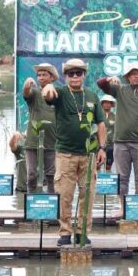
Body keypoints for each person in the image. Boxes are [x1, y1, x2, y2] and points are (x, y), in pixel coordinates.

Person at [41, 58, 107, 246]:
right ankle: (65, 232)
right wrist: (47, 88)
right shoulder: (60, 92)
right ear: (66, 76)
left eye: (79, 73)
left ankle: (82, 232)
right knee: (65, 194)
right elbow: (48, 95)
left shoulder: (92, 96)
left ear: (84, 75)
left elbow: (101, 123)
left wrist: (102, 148)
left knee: (88, 194)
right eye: (71, 73)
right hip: (65, 154)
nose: (75, 76)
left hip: (89, 154)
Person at [96, 62, 138, 217]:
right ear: (128, 77)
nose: (136, 76)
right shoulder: (120, 90)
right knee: (122, 177)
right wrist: (110, 79)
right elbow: (100, 84)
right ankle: (123, 207)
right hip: (121, 142)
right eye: (133, 73)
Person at [22, 63, 59, 193]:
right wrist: (27, 84)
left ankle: (52, 203)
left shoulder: (58, 94)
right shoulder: (35, 93)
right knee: (32, 174)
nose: (41, 77)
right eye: (39, 75)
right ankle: (31, 202)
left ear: (52, 77)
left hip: (52, 141)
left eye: (45, 75)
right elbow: (26, 93)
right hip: (33, 141)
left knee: (51, 175)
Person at [101, 95, 117, 171]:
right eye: (105, 102)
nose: (107, 104)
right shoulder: (98, 115)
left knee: (108, 166)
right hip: (99, 145)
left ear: (112, 104)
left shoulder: (115, 116)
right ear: (102, 104)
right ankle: (96, 182)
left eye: (109, 103)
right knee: (97, 165)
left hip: (111, 145)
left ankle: (106, 181)